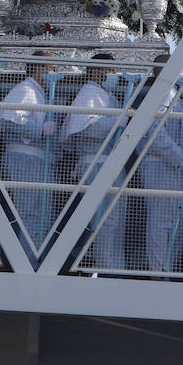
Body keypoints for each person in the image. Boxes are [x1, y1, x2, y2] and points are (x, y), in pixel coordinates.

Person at [61, 53, 128, 272]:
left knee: (113, 220)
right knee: (104, 221)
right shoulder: (90, 93)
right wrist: (116, 120)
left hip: (107, 163)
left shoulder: (102, 94)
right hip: (96, 163)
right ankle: (105, 267)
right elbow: (88, 129)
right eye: (111, 71)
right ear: (98, 71)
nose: (114, 76)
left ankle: (111, 267)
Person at [133, 61, 183, 275]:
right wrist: (180, 157)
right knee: (163, 219)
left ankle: (168, 267)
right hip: (160, 163)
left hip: (176, 165)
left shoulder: (173, 93)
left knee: (182, 220)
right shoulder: (161, 94)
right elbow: (155, 133)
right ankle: (159, 270)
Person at [0, 51, 57, 247]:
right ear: (38, 68)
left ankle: (33, 259)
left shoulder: (39, 92)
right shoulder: (26, 89)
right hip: (24, 159)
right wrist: (40, 130)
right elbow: (8, 120)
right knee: (29, 213)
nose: (54, 74)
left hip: (37, 162)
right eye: (51, 69)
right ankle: (27, 260)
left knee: (40, 215)